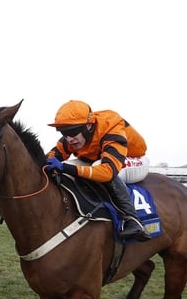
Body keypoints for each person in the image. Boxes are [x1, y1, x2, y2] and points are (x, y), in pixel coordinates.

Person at [44, 100, 151, 242]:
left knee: (97, 167)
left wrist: (66, 168)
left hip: (134, 159)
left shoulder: (111, 127)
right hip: (99, 160)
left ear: (89, 125)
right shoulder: (73, 137)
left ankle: (133, 220)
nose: (69, 138)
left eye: (72, 132)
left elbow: (107, 172)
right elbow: (51, 158)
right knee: (69, 165)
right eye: (64, 132)